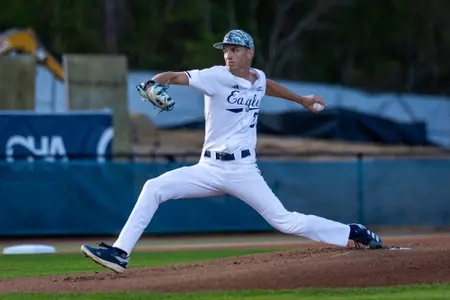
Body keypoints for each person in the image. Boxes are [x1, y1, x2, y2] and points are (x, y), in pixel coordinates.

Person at [81, 29, 383, 273]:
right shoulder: (216, 76)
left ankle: (351, 232)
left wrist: (301, 99)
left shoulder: (257, 78)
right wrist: (152, 82)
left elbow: (268, 85)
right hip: (208, 168)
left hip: (243, 170)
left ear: (249, 53)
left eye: (235, 49)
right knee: (153, 187)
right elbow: (174, 76)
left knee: (285, 222)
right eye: (226, 49)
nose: (229, 54)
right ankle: (120, 253)